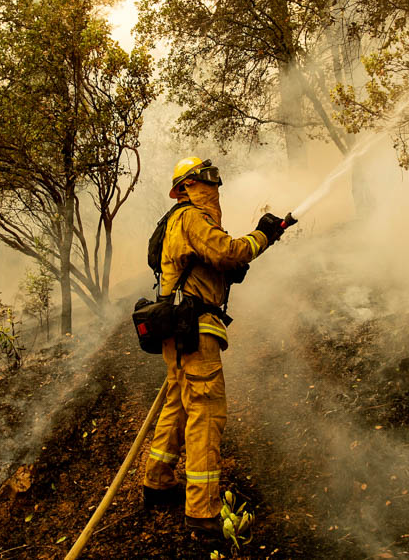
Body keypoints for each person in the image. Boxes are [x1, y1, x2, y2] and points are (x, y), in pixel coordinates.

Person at [141, 156, 287, 536]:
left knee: (178, 401)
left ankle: (157, 480)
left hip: (178, 326)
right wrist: (264, 235)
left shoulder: (179, 220)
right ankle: (202, 510)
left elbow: (212, 262)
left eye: (216, 178)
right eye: (207, 178)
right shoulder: (191, 217)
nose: (215, 185)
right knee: (206, 410)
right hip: (195, 327)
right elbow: (228, 251)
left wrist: (226, 272)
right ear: (187, 186)